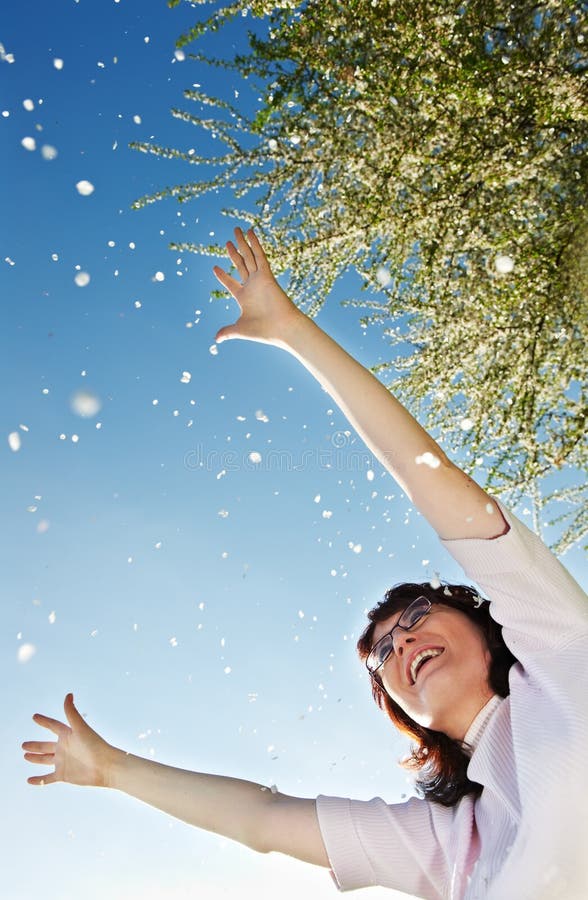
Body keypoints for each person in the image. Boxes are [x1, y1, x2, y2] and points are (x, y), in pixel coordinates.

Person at [23, 228, 588, 899]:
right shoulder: (450, 842)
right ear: (403, 713)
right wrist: (113, 769)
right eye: (382, 655)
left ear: (483, 620)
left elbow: (433, 484)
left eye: (414, 615)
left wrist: (292, 331)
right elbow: (264, 819)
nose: (400, 641)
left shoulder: (563, 656)